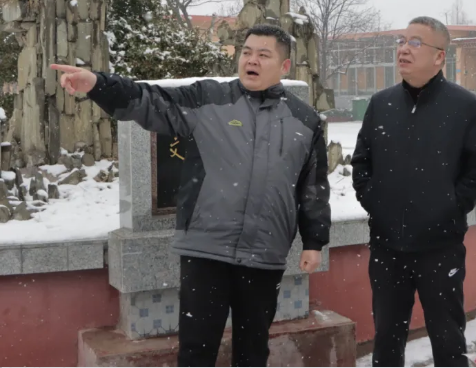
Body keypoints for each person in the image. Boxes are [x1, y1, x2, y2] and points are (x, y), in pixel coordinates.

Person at [51, 24, 331, 367]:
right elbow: (150, 100)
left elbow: (313, 186)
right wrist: (98, 84)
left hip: (264, 253)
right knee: (196, 350)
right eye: (246, 52)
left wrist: (314, 241)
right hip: (205, 249)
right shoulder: (209, 98)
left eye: (263, 54)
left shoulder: (305, 120)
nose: (251, 60)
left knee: (253, 350)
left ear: (284, 66)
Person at [351, 16, 476, 367]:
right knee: (387, 340)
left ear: (439, 57)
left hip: (440, 247)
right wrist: (375, 202)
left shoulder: (465, 106)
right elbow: (361, 163)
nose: (404, 49)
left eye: (415, 42)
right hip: (387, 247)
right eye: (401, 41)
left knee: (448, 340)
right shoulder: (381, 103)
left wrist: (448, 207)